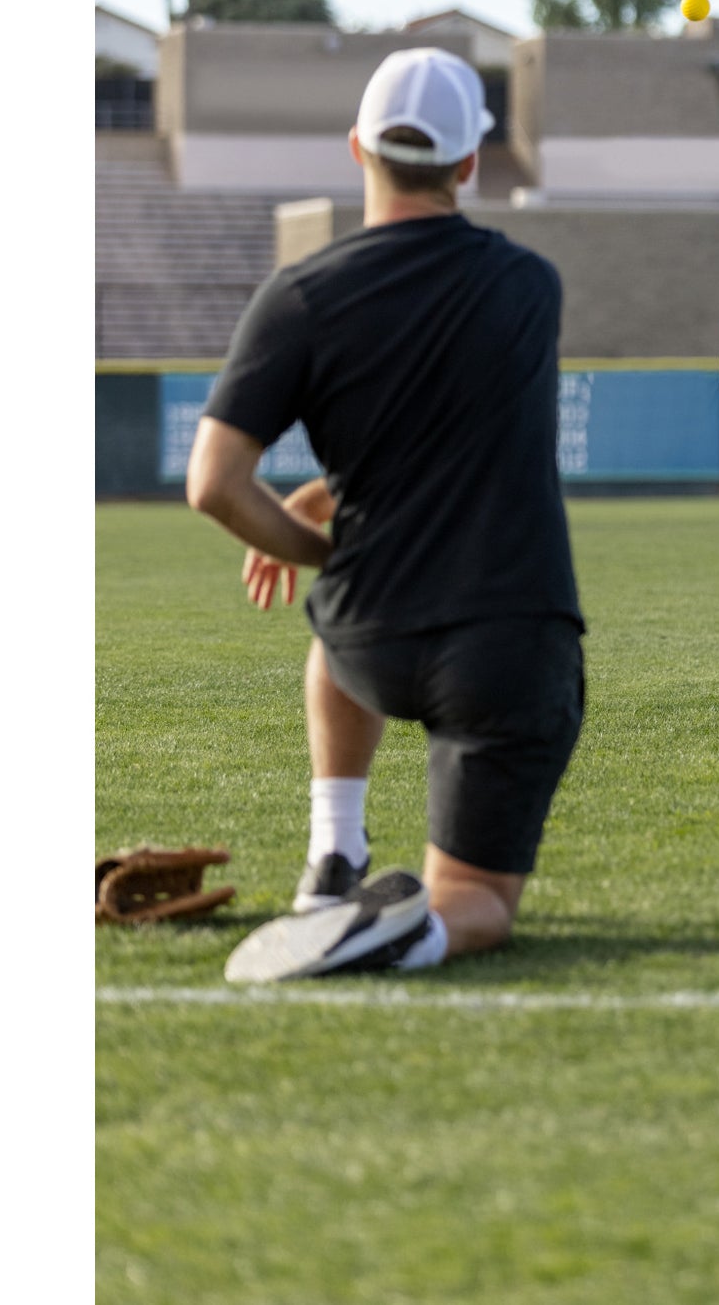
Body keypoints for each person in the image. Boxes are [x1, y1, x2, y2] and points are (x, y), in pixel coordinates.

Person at [186, 47, 585, 973]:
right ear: (470, 163)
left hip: (372, 636)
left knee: (332, 627)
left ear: (357, 149)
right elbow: (455, 427)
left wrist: (322, 544)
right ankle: (411, 929)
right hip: (505, 645)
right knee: (475, 899)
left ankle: (335, 855)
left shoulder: (298, 297)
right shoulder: (530, 288)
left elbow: (214, 482)